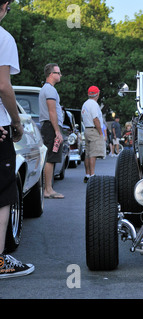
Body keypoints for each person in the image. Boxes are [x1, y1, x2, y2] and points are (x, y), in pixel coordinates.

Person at [0, 0, 35, 278]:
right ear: (5, 6)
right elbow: (3, 86)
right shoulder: (3, 38)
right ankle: (0, 262)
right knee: (2, 194)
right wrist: (15, 121)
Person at [39, 63, 64, 199]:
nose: (60, 75)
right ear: (51, 74)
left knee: (51, 158)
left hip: (49, 126)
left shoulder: (48, 89)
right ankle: (48, 189)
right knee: (50, 158)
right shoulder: (49, 90)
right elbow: (52, 111)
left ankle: (48, 188)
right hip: (50, 127)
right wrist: (57, 131)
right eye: (58, 73)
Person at [81, 86, 105, 183]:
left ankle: (87, 174)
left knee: (87, 153)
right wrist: (100, 132)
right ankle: (92, 175)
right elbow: (96, 119)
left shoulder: (85, 104)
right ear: (97, 94)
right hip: (93, 130)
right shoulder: (94, 104)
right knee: (93, 154)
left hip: (87, 129)